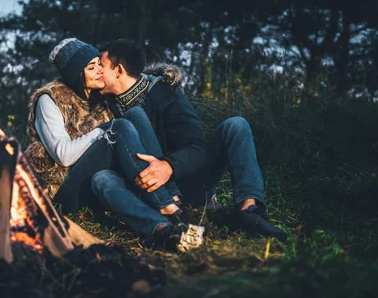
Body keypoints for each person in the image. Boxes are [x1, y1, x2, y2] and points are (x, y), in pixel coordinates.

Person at [93, 39, 287, 241]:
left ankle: (250, 212)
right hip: (146, 186)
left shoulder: (164, 92)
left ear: (119, 70)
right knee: (104, 178)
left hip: (188, 180)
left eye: (101, 65)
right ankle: (168, 224)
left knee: (236, 125)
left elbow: (197, 148)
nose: (97, 71)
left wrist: (168, 166)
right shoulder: (101, 106)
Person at [24, 38, 202, 251]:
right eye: (92, 67)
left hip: (91, 182)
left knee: (105, 176)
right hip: (63, 189)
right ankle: (169, 205)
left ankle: (161, 229)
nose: (100, 70)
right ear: (76, 75)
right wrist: (103, 129)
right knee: (119, 126)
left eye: (100, 64)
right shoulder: (49, 99)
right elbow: (63, 155)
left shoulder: (101, 100)